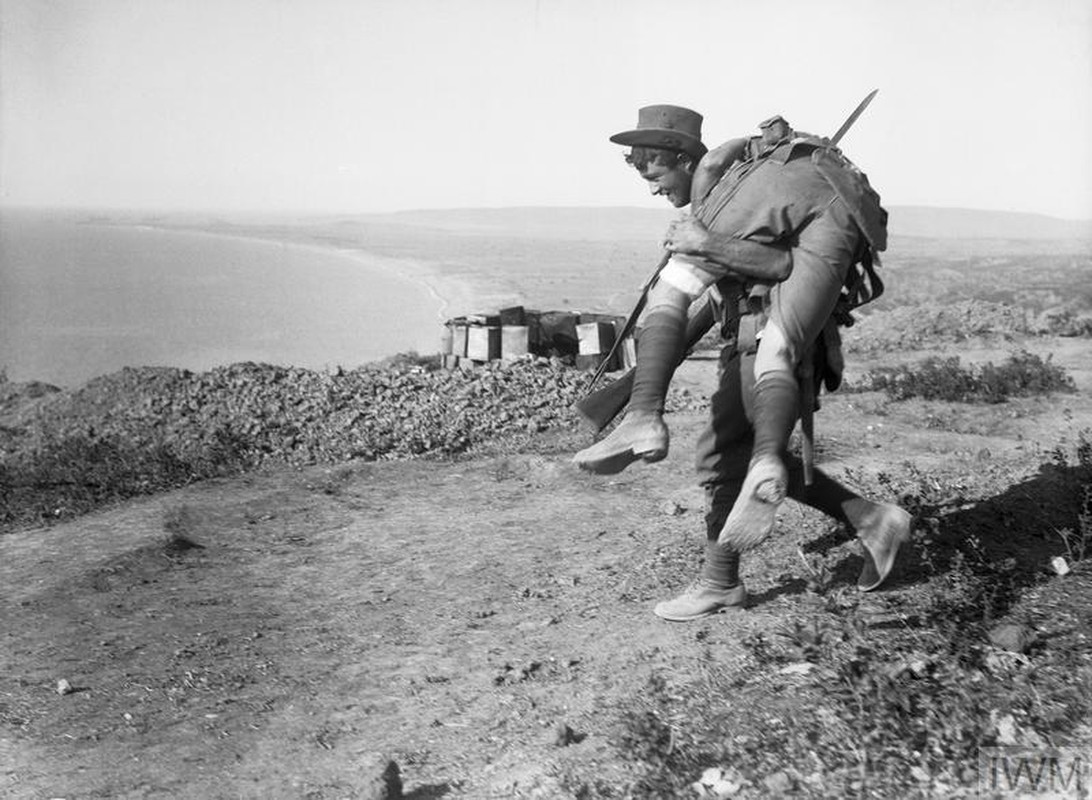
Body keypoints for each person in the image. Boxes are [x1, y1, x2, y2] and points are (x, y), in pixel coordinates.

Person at [574, 104, 911, 621]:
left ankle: (724, 579)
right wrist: (642, 378)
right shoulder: (724, 196)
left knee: (728, 454)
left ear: (685, 159)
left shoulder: (739, 194)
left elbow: (780, 267)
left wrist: (705, 245)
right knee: (735, 455)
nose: (651, 187)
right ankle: (868, 522)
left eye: (655, 171)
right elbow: (729, 291)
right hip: (755, 337)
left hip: (774, 342)